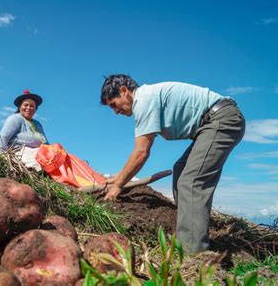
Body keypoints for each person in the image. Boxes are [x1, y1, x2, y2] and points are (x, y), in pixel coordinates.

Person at [100, 74, 245, 253]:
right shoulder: (147, 98)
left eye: (114, 104)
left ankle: (193, 254)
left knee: (191, 181)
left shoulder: (143, 100)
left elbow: (141, 152)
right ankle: (189, 232)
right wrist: (120, 177)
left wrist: (117, 185)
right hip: (212, 123)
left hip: (221, 120)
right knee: (181, 169)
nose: (115, 112)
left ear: (124, 91)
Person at [0, 89, 48, 171]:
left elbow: (46, 143)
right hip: (22, 152)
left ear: (35, 109)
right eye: (26, 105)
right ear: (20, 107)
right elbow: (3, 137)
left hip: (40, 152)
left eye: (32, 106)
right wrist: (1, 155)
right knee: (41, 163)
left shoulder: (38, 124)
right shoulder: (15, 118)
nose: (29, 108)